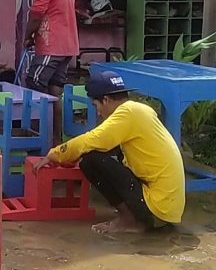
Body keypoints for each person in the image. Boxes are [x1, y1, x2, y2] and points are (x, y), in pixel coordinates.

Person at [34, 70, 185, 233]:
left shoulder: (127, 113)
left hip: (157, 208)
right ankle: (134, 214)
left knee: (90, 161)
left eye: (96, 105)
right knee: (109, 150)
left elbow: (89, 140)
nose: (98, 113)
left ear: (105, 100)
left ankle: (129, 220)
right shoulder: (140, 110)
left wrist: (54, 154)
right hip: (168, 209)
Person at [18, 0, 78, 140]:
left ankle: (35, 137)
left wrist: (28, 36)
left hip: (53, 44)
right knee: (54, 92)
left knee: (34, 84)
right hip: (67, 46)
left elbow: (36, 13)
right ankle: (55, 139)